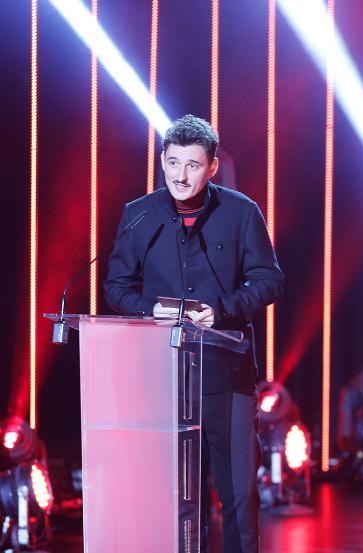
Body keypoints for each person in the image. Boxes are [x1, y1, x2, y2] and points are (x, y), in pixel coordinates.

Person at [104, 114, 284, 553]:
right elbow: (116, 287)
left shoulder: (241, 212)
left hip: (226, 375)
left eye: (192, 165)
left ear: (212, 167)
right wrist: (152, 309)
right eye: (172, 163)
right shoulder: (138, 215)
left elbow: (269, 281)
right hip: (163, 376)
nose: (180, 176)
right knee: (178, 497)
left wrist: (221, 309)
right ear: (162, 161)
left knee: (239, 492)